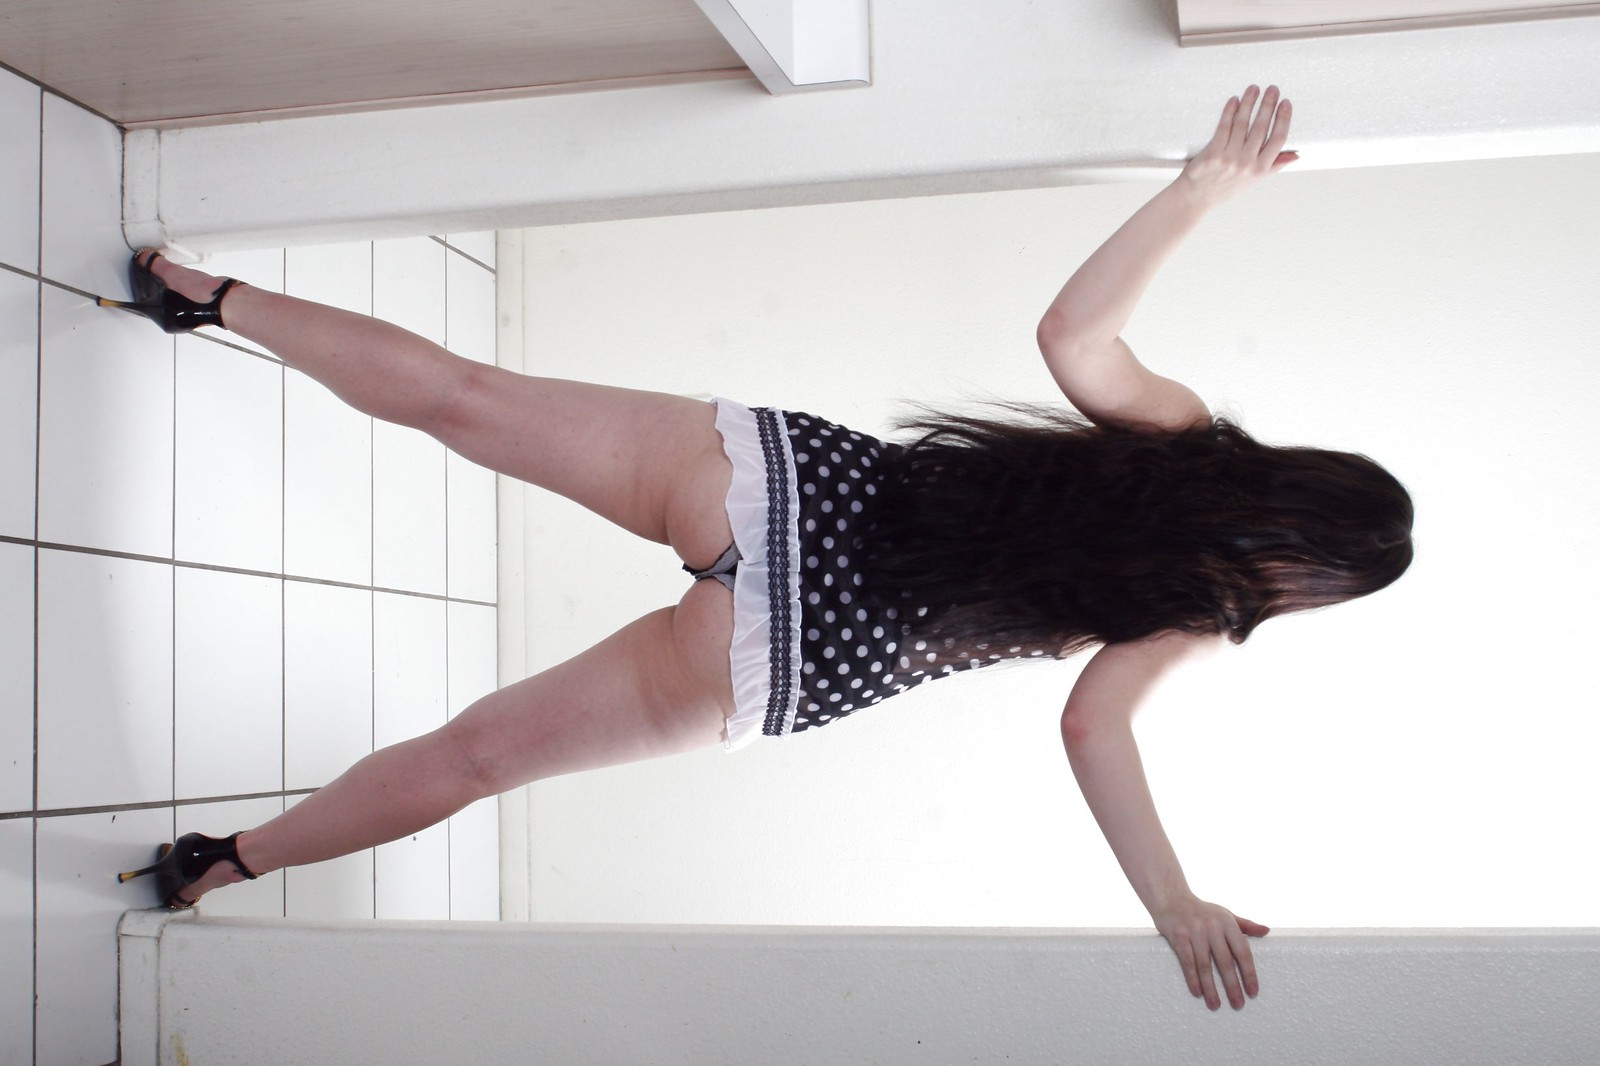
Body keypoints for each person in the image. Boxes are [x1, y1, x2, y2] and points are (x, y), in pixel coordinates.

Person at [113, 85, 1412, 1012]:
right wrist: (1172, 900)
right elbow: (1092, 730)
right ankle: (229, 862)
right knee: (476, 759)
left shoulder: (1183, 440)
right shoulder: (1196, 613)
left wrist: (1199, 192)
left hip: (795, 493)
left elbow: (1071, 336)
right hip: (799, 653)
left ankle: (205, 295)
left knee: (465, 396)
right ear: (1313, 581)